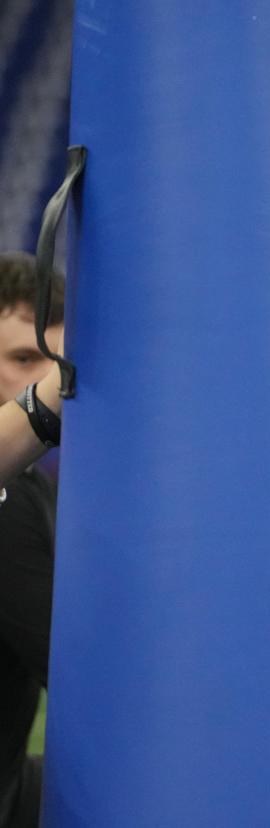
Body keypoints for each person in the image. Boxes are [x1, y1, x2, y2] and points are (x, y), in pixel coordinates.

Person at [0, 252, 64, 828]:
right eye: (23, 359)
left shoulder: (29, 489)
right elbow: (75, 669)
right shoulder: (12, 500)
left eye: (53, 364)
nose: (43, 380)